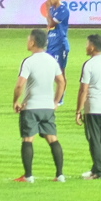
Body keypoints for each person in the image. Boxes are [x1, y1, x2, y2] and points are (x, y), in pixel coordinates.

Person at [13, 27, 66, 183]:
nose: (27, 42)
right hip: (47, 107)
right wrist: (55, 102)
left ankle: (28, 176)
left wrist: (16, 101)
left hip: (31, 107)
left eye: (28, 39)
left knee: (28, 140)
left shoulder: (29, 61)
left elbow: (19, 85)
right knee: (53, 138)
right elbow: (61, 82)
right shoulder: (52, 60)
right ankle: (60, 174)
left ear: (33, 42)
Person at [75, 33, 101, 179]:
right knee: (100, 140)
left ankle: (99, 171)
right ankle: (95, 169)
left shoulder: (89, 65)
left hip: (94, 106)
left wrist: (78, 110)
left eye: (87, 44)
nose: (86, 47)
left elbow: (83, 90)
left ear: (92, 47)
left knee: (94, 139)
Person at [41, 0, 70, 73]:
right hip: (51, 43)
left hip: (60, 44)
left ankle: (63, 87)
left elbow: (52, 23)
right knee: (49, 70)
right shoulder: (53, 9)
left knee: (60, 72)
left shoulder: (63, 10)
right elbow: (49, 25)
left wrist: (47, 9)